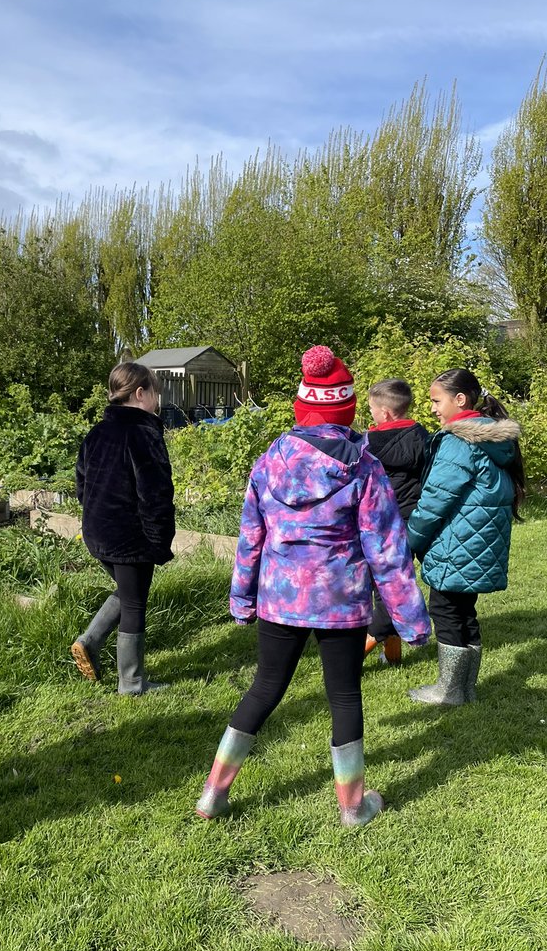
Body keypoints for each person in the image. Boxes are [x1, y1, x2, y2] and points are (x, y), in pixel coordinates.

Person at [196, 346, 430, 827]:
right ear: (345, 410)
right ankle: (352, 808)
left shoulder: (268, 462)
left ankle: (212, 796)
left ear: (303, 407)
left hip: (278, 597)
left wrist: (241, 599)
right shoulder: (364, 468)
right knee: (343, 695)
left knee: (263, 688)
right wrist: (411, 620)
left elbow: (249, 539)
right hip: (339, 600)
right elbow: (388, 551)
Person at [407, 369, 523, 707]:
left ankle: (448, 691)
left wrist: (410, 541)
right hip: (475, 541)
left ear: (460, 400)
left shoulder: (460, 441)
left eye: (435, 400)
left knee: (444, 610)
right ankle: (464, 688)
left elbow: (434, 500)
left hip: (457, 542)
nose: (432, 408)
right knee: (464, 611)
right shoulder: (490, 438)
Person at [72, 361, 175, 695]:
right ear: (141, 393)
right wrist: (159, 539)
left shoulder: (97, 432)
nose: (158, 401)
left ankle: (90, 641)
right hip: (131, 535)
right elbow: (154, 493)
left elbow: (81, 483)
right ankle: (131, 682)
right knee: (134, 603)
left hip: (97, 531)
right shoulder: (143, 432)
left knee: (129, 591)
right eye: (156, 394)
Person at [363, 379, 429, 665]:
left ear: (386, 412)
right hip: (413, 519)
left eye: (372, 409)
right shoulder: (423, 437)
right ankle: (393, 655)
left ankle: (362, 647)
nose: (371, 415)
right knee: (394, 581)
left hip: (379, 523)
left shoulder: (369, 443)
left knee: (386, 586)